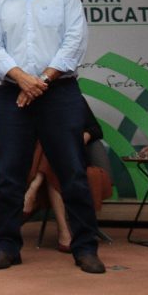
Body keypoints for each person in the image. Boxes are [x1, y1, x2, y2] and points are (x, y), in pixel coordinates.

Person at [0, 0, 105, 274]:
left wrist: (42, 81)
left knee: (73, 173)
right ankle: (7, 247)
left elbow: (74, 41)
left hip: (59, 93)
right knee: (10, 176)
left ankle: (85, 248)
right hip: (13, 94)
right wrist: (23, 79)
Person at [23, 98, 112, 252]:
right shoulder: (29, 101)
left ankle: (34, 188)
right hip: (41, 159)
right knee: (50, 146)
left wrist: (83, 136)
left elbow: (96, 129)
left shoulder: (73, 99)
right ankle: (64, 232)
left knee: (57, 145)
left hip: (73, 157)